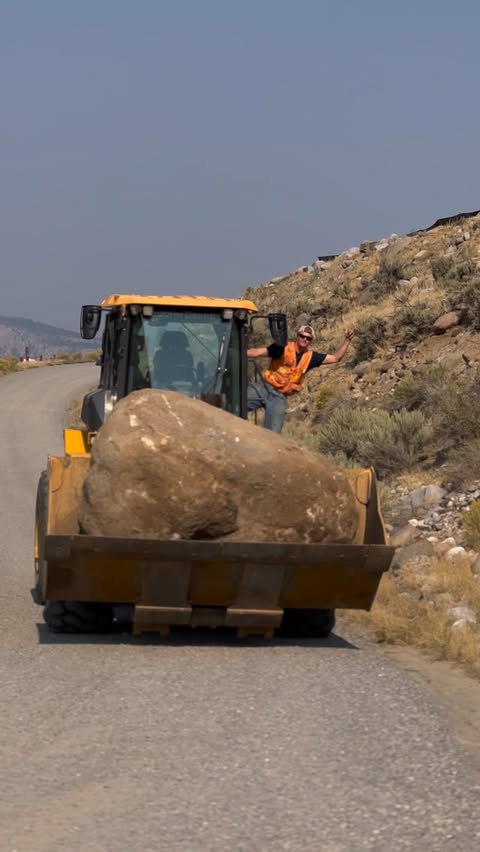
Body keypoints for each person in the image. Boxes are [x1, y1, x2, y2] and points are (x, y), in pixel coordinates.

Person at [247, 324, 355, 433]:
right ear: (297, 336)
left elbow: (336, 358)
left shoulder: (311, 357)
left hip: (279, 397)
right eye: (302, 336)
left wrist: (347, 340)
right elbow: (257, 352)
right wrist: (236, 352)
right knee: (234, 404)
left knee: (273, 434)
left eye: (308, 338)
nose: (304, 339)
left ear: (311, 340)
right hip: (264, 387)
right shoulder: (282, 347)